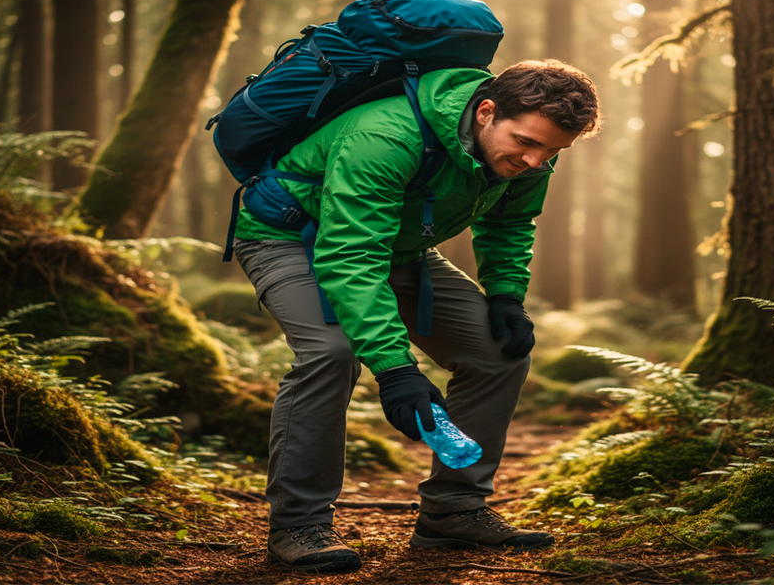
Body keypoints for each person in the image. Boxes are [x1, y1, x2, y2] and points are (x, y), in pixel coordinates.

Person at [232, 58, 601, 573]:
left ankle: (454, 511)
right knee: (331, 353)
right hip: (292, 236)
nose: (536, 161)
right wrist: (396, 370)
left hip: (398, 247)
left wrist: (505, 296)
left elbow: (512, 221)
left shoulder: (526, 154)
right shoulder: (385, 136)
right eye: (526, 142)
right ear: (487, 111)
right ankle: (298, 524)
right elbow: (350, 257)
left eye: (551, 151)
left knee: (497, 353)